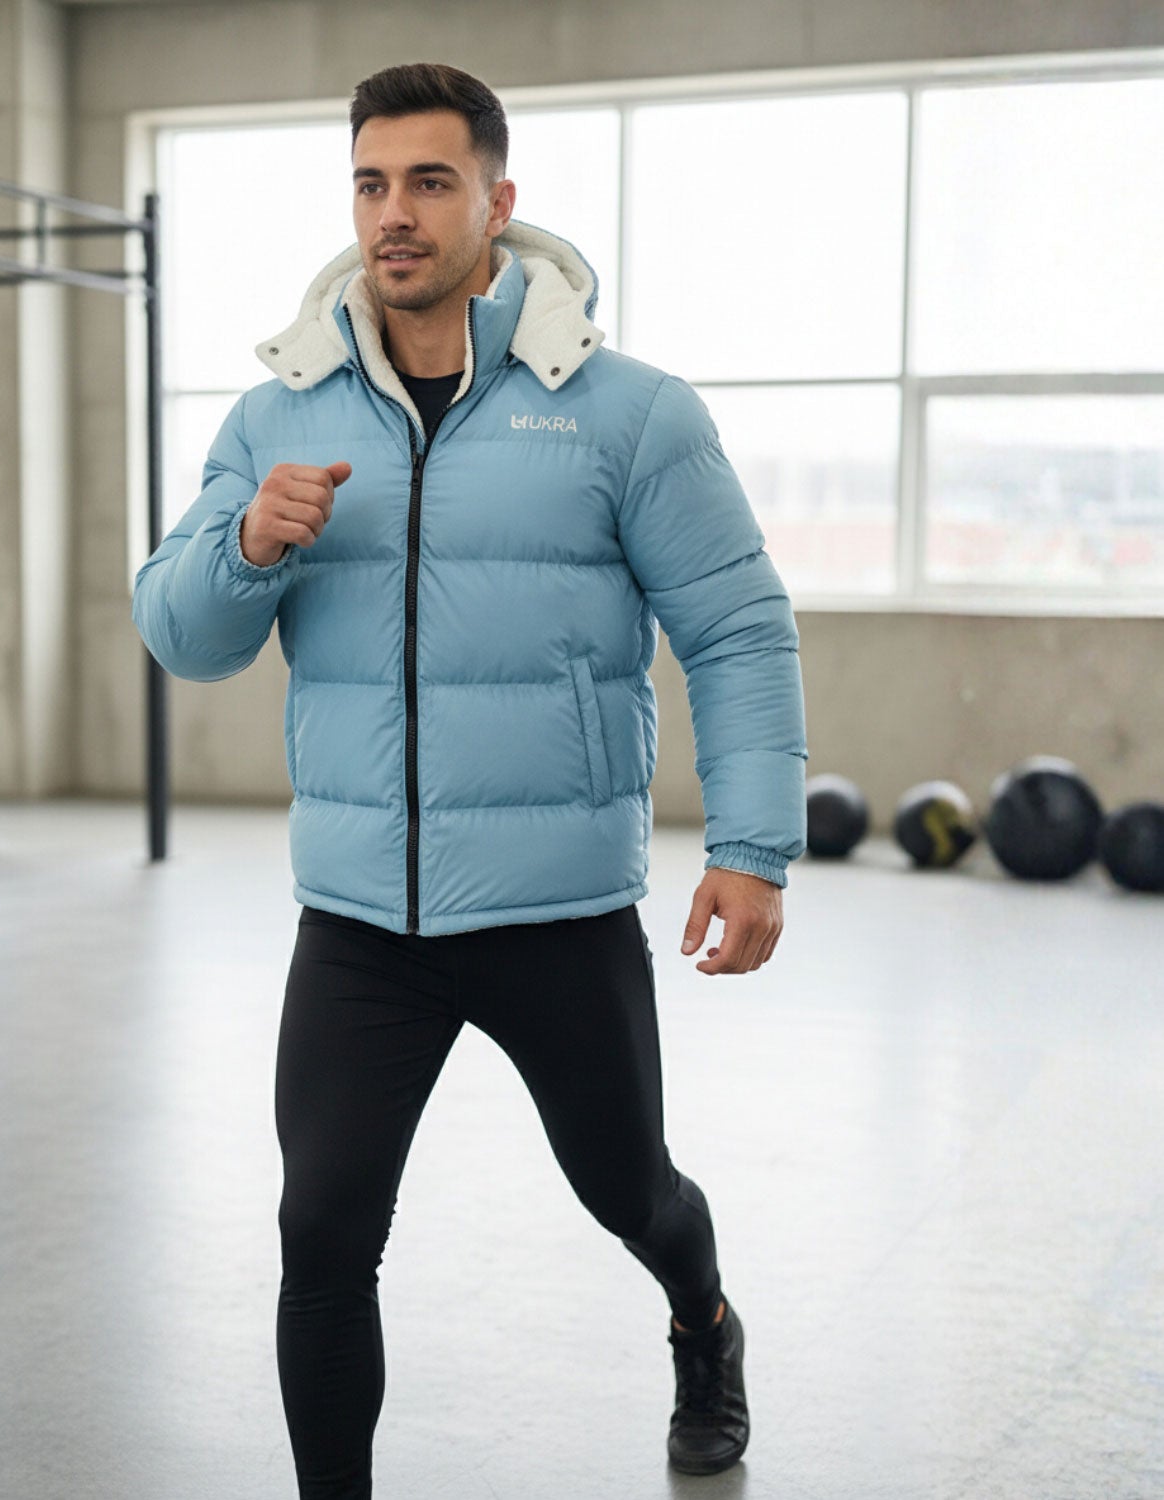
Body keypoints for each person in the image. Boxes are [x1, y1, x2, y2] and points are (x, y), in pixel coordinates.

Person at [132, 60, 808, 1498]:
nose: (396, 212)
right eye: (371, 183)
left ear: (498, 204)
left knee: (630, 1189)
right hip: (360, 918)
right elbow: (182, 637)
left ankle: (704, 1323)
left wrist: (751, 847)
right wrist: (245, 546)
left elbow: (738, 629)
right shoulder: (278, 418)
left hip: (555, 912)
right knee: (320, 1236)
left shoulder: (627, 413)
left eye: (430, 182)